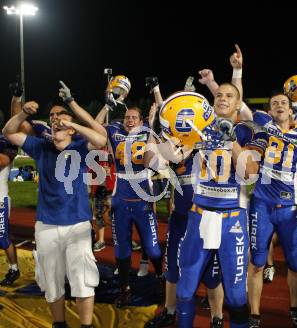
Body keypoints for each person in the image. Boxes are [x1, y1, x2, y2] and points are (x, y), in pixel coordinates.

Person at [159, 84, 260, 328]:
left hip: (232, 219)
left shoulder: (248, 130)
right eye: (218, 95)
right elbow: (169, 157)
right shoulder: (198, 129)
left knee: (236, 295)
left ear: (238, 104)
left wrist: (231, 140)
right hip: (199, 216)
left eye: (229, 96)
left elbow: (250, 173)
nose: (223, 98)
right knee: (185, 288)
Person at [3, 100, 107, 328]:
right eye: (53, 116)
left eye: (61, 116)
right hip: (47, 225)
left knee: (83, 280)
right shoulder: (41, 146)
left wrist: (73, 124)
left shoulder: (80, 146)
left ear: (71, 128)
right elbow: (8, 132)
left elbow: (100, 139)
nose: (55, 119)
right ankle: (59, 324)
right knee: (51, 282)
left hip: (77, 224)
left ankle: (86, 326)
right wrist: (22, 113)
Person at [247, 93, 297, 328]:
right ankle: (254, 314)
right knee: (257, 261)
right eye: (274, 103)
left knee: (295, 263)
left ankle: (294, 307)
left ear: (291, 110)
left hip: (289, 210)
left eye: (284, 102)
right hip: (261, 205)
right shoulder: (263, 131)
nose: (279, 105)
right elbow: (242, 108)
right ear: (270, 111)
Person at [97, 105, 164, 308]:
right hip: (121, 199)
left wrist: (151, 124)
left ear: (141, 121)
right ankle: (124, 289)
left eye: (134, 117)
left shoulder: (148, 133)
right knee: (122, 250)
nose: (130, 120)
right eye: (127, 117)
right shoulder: (114, 131)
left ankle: (161, 277)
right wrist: (107, 105)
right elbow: (96, 125)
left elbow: (150, 161)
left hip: (142, 199)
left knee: (152, 249)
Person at [0, 134, 20, 286]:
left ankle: (14, 269)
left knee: (2, 238)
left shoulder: (5, 141)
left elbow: (4, 160)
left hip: (0, 200)